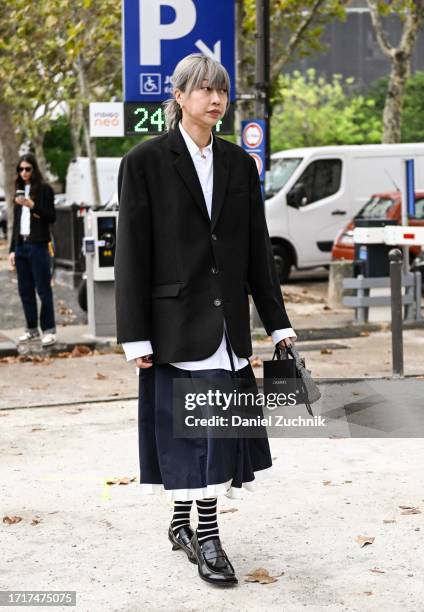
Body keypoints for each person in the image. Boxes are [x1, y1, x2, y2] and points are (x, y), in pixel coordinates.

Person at [114, 53, 296, 586]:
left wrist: (277, 322)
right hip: (173, 326)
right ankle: (206, 539)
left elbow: (256, 250)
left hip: (227, 327)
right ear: (179, 96)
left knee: (216, 433)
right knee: (189, 436)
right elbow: (132, 254)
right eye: (203, 90)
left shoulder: (241, 165)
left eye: (221, 91)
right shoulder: (145, 161)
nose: (215, 99)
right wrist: (133, 335)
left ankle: (190, 523)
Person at [8, 153, 57, 347]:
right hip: (22, 246)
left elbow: (51, 217)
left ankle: (49, 330)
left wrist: (32, 205)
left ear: (34, 169)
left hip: (38, 246)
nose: (24, 172)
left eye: (27, 169)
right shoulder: (18, 191)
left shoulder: (45, 190)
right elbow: (16, 224)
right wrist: (12, 249)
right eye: (20, 169)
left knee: (43, 289)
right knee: (24, 290)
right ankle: (31, 329)